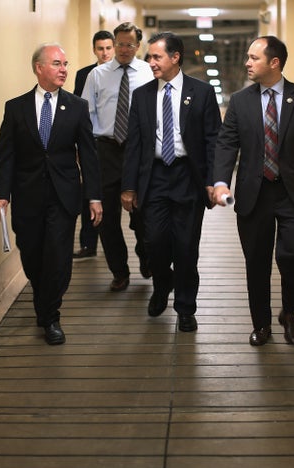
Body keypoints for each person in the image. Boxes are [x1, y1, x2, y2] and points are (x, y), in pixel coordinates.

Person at [212, 36, 294, 346]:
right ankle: (261, 324)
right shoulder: (240, 101)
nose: (247, 62)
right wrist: (221, 180)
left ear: (274, 63)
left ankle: (289, 311)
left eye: (254, 58)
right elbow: (226, 143)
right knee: (257, 262)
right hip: (255, 193)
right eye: (248, 57)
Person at [0, 43, 102, 345]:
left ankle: (50, 316)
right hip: (27, 196)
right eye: (57, 64)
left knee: (58, 256)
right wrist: (2, 193)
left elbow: (89, 155)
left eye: (65, 64)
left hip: (63, 195)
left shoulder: (77, 107)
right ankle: (44, 302)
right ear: (39, 68)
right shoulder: (15, 108)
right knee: (32, 255)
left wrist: (94, 196)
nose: (64, 70)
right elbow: (7, 154)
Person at [122, 32, 221, 332]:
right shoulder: (142, 95)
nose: (150, 62)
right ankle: (162, 288)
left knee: (186, 247)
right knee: (155, 243)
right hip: (153, 178)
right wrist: (129, 186)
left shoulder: (201, 92)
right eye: (149, 57)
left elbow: (213, 140)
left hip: (187, 177)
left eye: (156, 57)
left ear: (175, 57)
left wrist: (213, 180)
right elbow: (134, 144)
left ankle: (186, 307)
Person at [81, 22, 154, 291]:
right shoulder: (97, 76)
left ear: (138, 46)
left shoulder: (149, 73)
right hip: (107, 150)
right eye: (120, 43)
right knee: (106, 219)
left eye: (130, 45)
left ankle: (145, 254)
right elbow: (86, 116)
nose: (124, 49)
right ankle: (119, 271)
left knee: (144, 215)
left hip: (140, 150)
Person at [72, 30, 114, 259]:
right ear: (94, 49)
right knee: (89, 192)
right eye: (100, 48)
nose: (105, 53)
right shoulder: (84, 75)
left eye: (109, 48)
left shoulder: (122, 74)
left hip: (117, 145)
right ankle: (88, 244)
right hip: (92, 142)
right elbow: (78, 109)